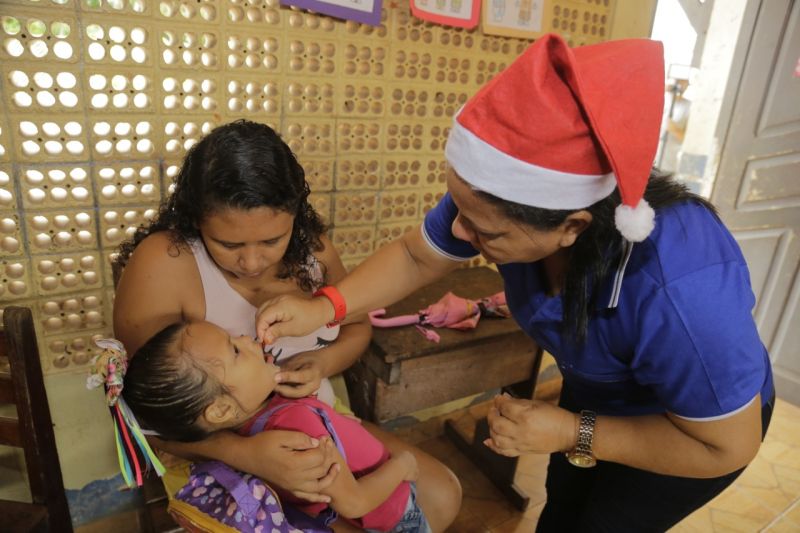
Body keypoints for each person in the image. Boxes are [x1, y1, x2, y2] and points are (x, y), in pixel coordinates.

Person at [254, 34, 775, 532]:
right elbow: (417, 257)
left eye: (485, 231)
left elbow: (725, 446)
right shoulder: (495, 198)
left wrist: (575, 430)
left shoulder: (682, 291)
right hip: (600, 394)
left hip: (691, 425)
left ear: (572, 227)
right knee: (563, 501)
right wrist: (325, 308)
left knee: (609, 523)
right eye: (458, 207)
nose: (460, 232)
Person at [112, 119, 461, 531]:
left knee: (441, 495)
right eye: (229, 244)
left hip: (314, 419)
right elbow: (143, 415)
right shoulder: (165, 263)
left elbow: (357, 328)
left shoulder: (312, 249)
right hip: (212, 450)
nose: (253, 262)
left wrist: (322, 363)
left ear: (295, 215)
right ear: (197, 220)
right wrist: (249, 455)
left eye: (272, 240)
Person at [121, 319, 432, 533]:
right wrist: (403, 465)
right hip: (395, 513)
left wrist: (335, 423)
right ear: (222, 409)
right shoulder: (296, 432)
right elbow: (355, 501)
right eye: (235, 350)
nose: (245, 339)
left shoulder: (252, 425)